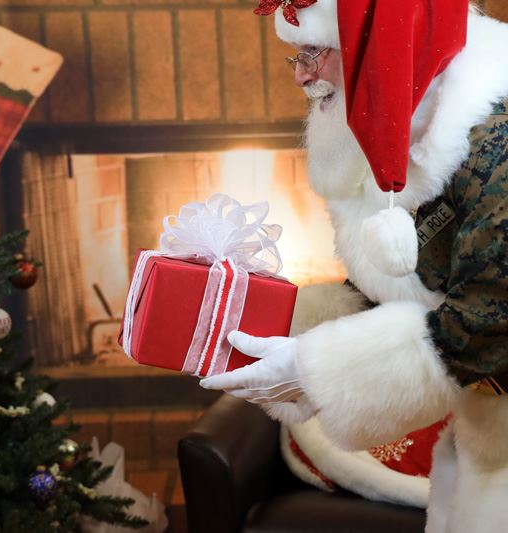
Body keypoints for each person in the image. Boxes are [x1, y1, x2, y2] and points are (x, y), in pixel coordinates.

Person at [201, 0, 508, 530]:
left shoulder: (495, 140)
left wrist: (317, 369)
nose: (301, 76)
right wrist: (263, 320)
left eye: (313, 53)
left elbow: (490, 322)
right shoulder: (413, 117)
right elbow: (413, 281)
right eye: (296, 56)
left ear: (378, 44)